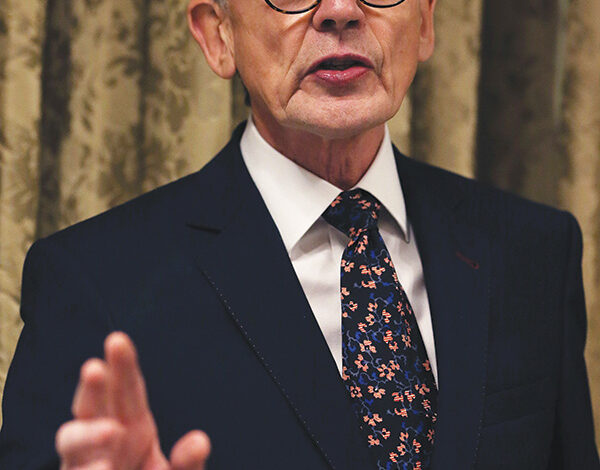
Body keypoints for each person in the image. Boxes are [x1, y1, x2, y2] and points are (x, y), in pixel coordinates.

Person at [0, 0, 598, 468]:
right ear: (217, 35)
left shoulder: (533, 252)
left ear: (425, 22)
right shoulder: (95, 283)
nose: (340, 11)